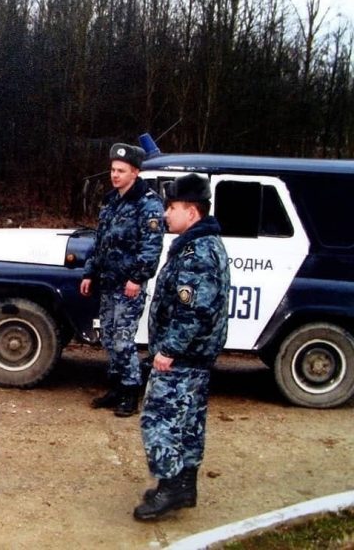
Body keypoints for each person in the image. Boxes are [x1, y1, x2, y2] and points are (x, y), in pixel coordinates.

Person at [133, 173, 230, 521]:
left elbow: (194, 309)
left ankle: (169, 488)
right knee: (189, 422)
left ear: (192, 212)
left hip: (183, 357)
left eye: (172, 207)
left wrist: (168, 349)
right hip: (196, 357)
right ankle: (185, 485)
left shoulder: (197, 251)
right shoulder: (204, 244)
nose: (166, 214)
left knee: (160, 420)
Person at [79, 144, 164, 417]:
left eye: (121, 171)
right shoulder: (111, 201)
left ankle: (130, 391)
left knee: (123, 340)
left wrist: (137, 279)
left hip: (129, 285)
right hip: (107, 282)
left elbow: (151, 248)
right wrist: (89, 272)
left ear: (135, 173)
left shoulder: (148, 204)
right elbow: (100, 241)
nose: (114, 175)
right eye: (113, 170)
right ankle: (115, 387)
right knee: (108, 338)